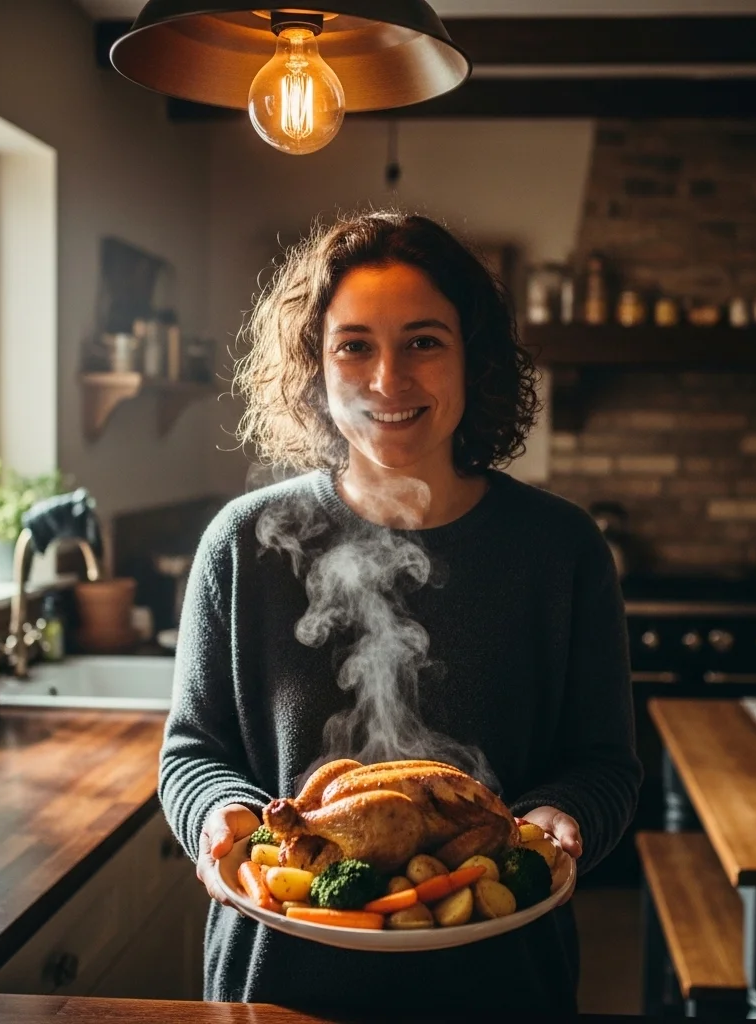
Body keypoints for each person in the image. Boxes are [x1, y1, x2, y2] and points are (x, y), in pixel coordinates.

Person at [159, 210, 642, 1014]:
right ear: (315, 364)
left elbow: (606, 763)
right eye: (354, 345)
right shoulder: (242, 545)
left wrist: (564, 816)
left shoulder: (561, 549)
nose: (389, 380)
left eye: (423, 341)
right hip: (278, 983)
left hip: (502, 984)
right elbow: (192, 752)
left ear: (471, 360)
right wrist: (219, 815)